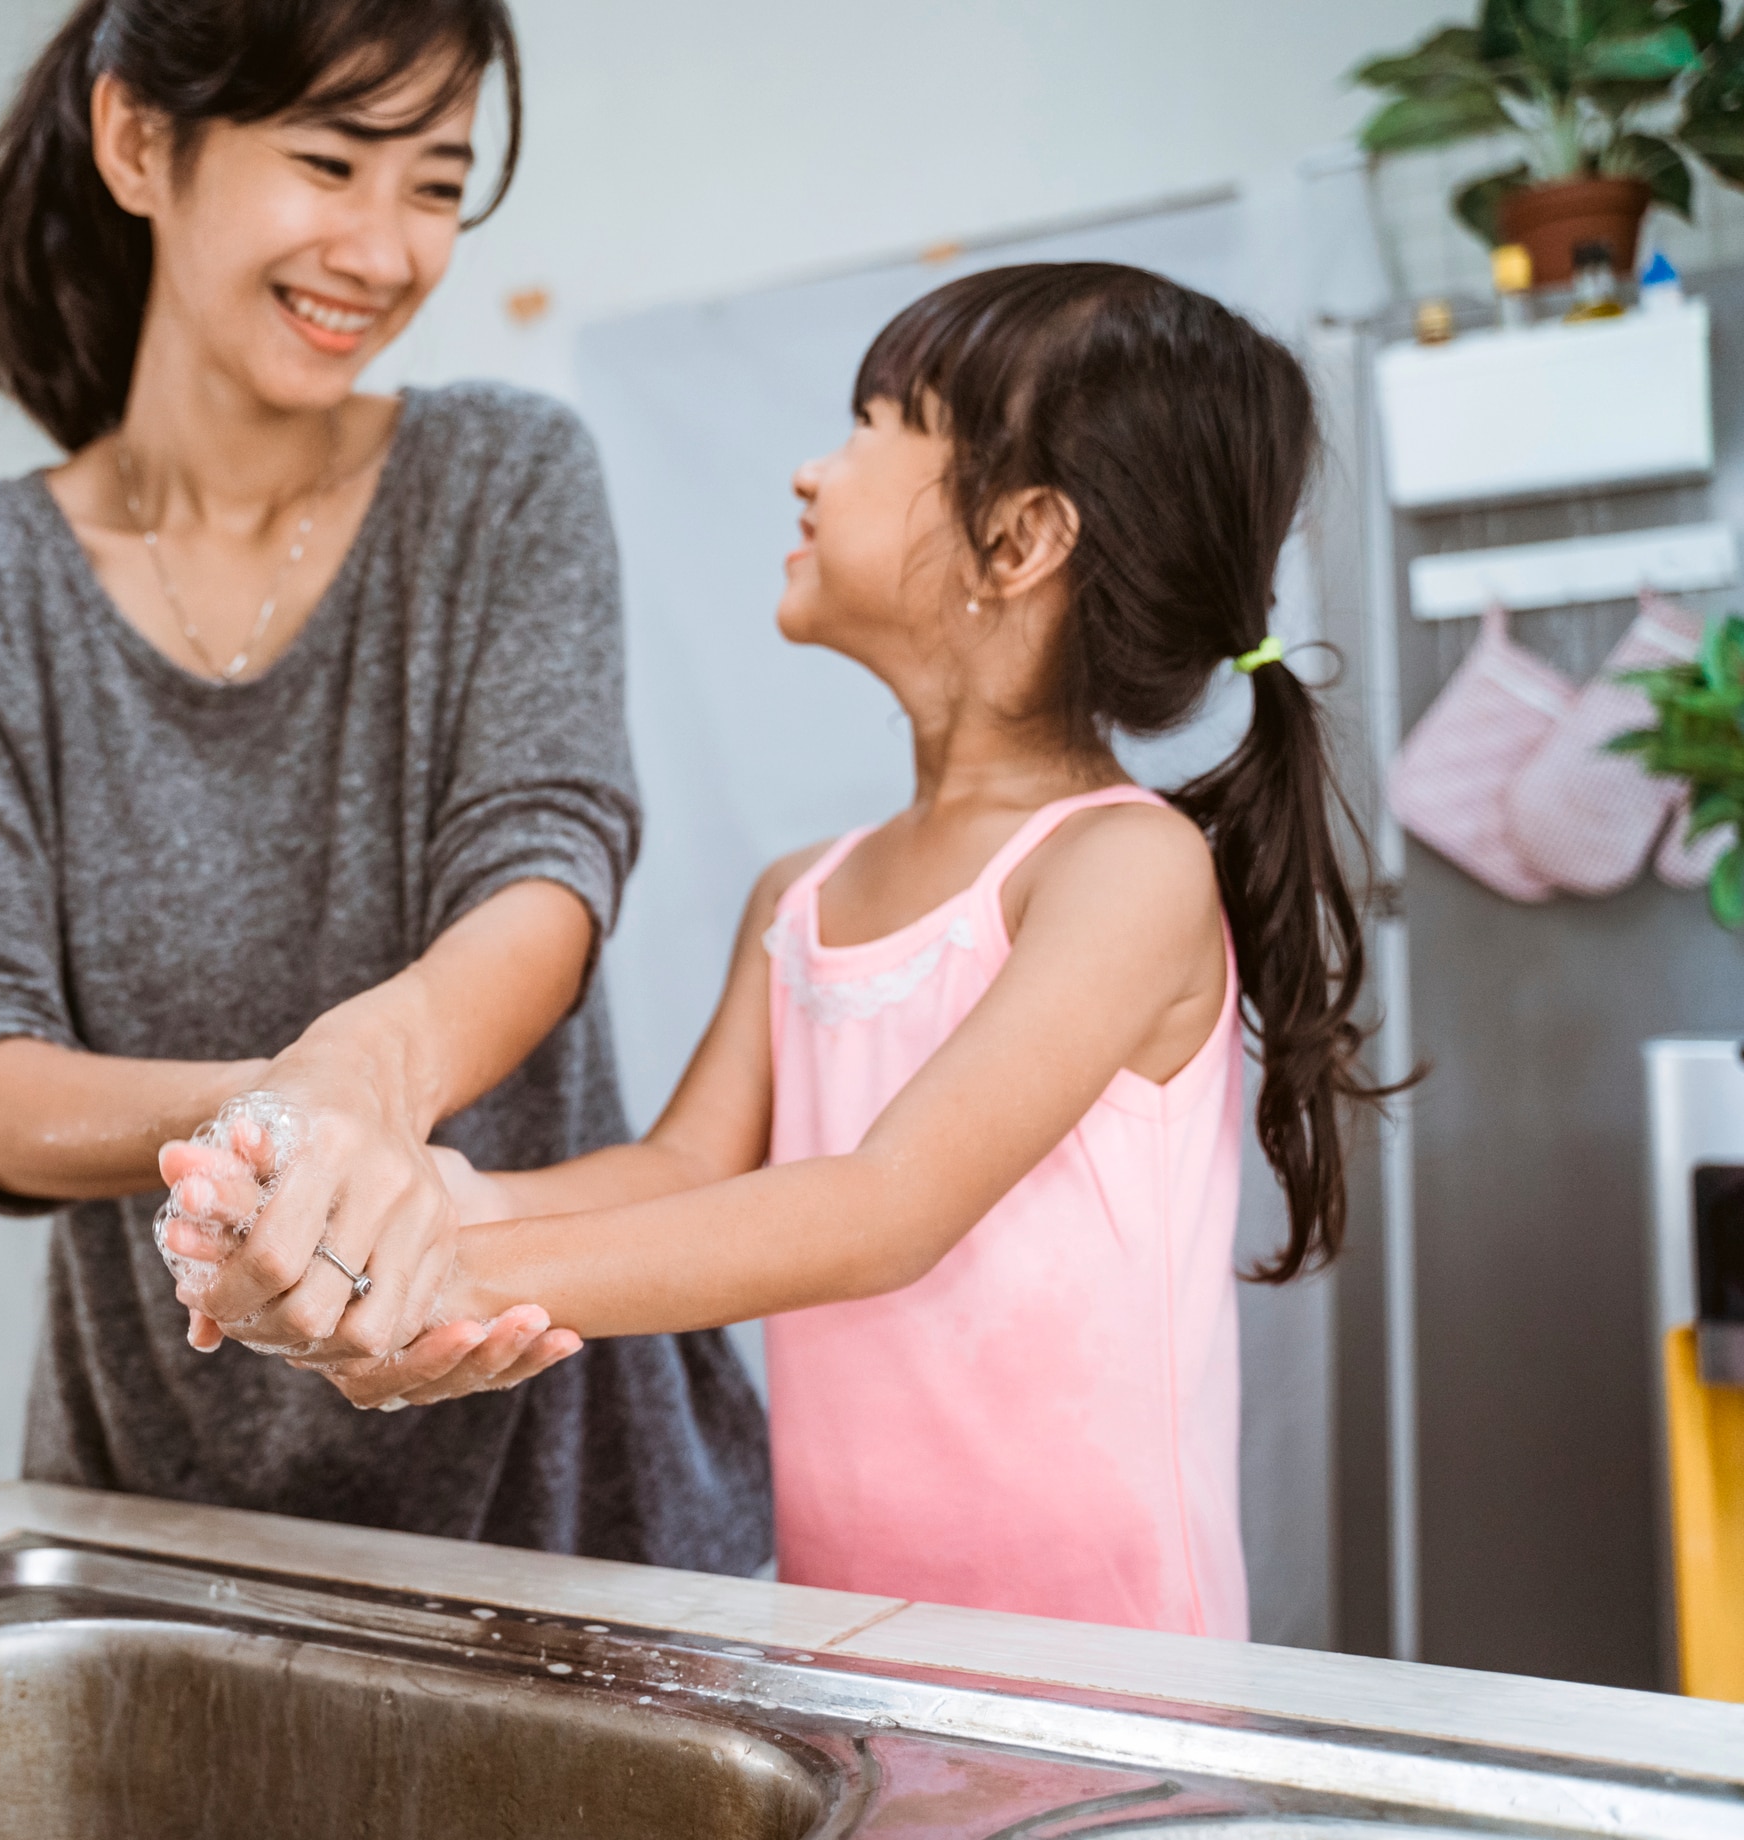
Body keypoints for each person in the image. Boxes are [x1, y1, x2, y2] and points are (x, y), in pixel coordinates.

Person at [164, 263, 1398, 1636]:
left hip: (1107, 1680)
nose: (814, 472)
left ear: (1020, 539)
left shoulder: (1123, 870)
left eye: (878, 424)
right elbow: (676, 1173)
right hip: (849, 1654)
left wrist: (437, 1280)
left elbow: (881, 1208)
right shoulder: (799, 895)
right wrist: (406, 1210)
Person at [0, 0, 770, 1573]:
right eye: (331, 160)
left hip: (561, 1490)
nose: (384, 245)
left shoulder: (505, 478)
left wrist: (361, 1086)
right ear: (142, 139)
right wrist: (305, 1124)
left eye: (434, 183)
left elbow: (544, 874)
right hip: (154, 1519)